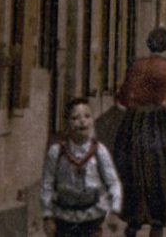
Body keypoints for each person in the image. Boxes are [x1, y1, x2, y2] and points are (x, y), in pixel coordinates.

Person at [112, 27, 166, 237]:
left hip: (133, 121)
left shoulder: (136, 64)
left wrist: (130, 104)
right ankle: (156, 222)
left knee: (131, 167)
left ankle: (133, 219)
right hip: (157, 121)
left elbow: (122, 97)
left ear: (149, 44)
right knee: (161, 167)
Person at [41, 96, 123, 237]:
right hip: (63, 217)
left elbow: (113, 182)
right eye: (75, 118)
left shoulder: (99, 151)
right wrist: (47, 217)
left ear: (92, 121)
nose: (82, 121)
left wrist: (114, 211)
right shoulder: (57, 152)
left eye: (87, 116)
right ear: (67, 123)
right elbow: (47, 184)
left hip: (92, 217)